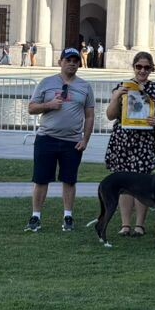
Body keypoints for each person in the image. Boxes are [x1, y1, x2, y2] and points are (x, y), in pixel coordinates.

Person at [26, 48, 96, 233]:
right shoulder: (46, 83)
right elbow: (31, 108)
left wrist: (85, 139)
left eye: (75, 60)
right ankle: (36, 216)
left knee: (69, 180)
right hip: (46, 138)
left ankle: (68, 216)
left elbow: (89, 116)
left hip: (72, 141)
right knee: (41, 179)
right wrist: (48, 105)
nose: (72, 63)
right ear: (60, 62)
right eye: (68, 60)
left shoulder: (85, 87)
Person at [104, 51, 155, 237]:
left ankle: (140, 224)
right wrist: (116, 97)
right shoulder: (123, 86)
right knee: (124, 183)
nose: (142, 71)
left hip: (146, 141)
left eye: (146, 67)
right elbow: (110, 115)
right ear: (134, 67)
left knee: (143, 182)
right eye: (139, 67)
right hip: (124, 140)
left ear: (151, 69)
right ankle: (125, 224)